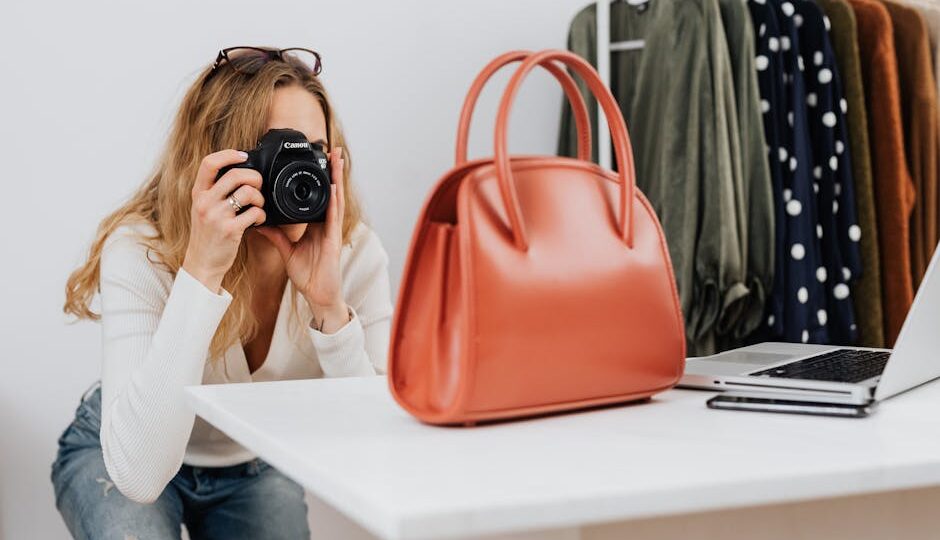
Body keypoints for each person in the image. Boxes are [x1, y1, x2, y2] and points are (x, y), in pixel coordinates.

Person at [51, 46, 393, 539]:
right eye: (275, 151)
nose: (296, 171)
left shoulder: (352, 251)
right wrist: (200, 271)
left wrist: (329, 309)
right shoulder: (144, 249)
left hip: (252, 461)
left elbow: (379, 450)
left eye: (312, 151)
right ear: (210, 161)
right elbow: (140, 476)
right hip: (122, 446)